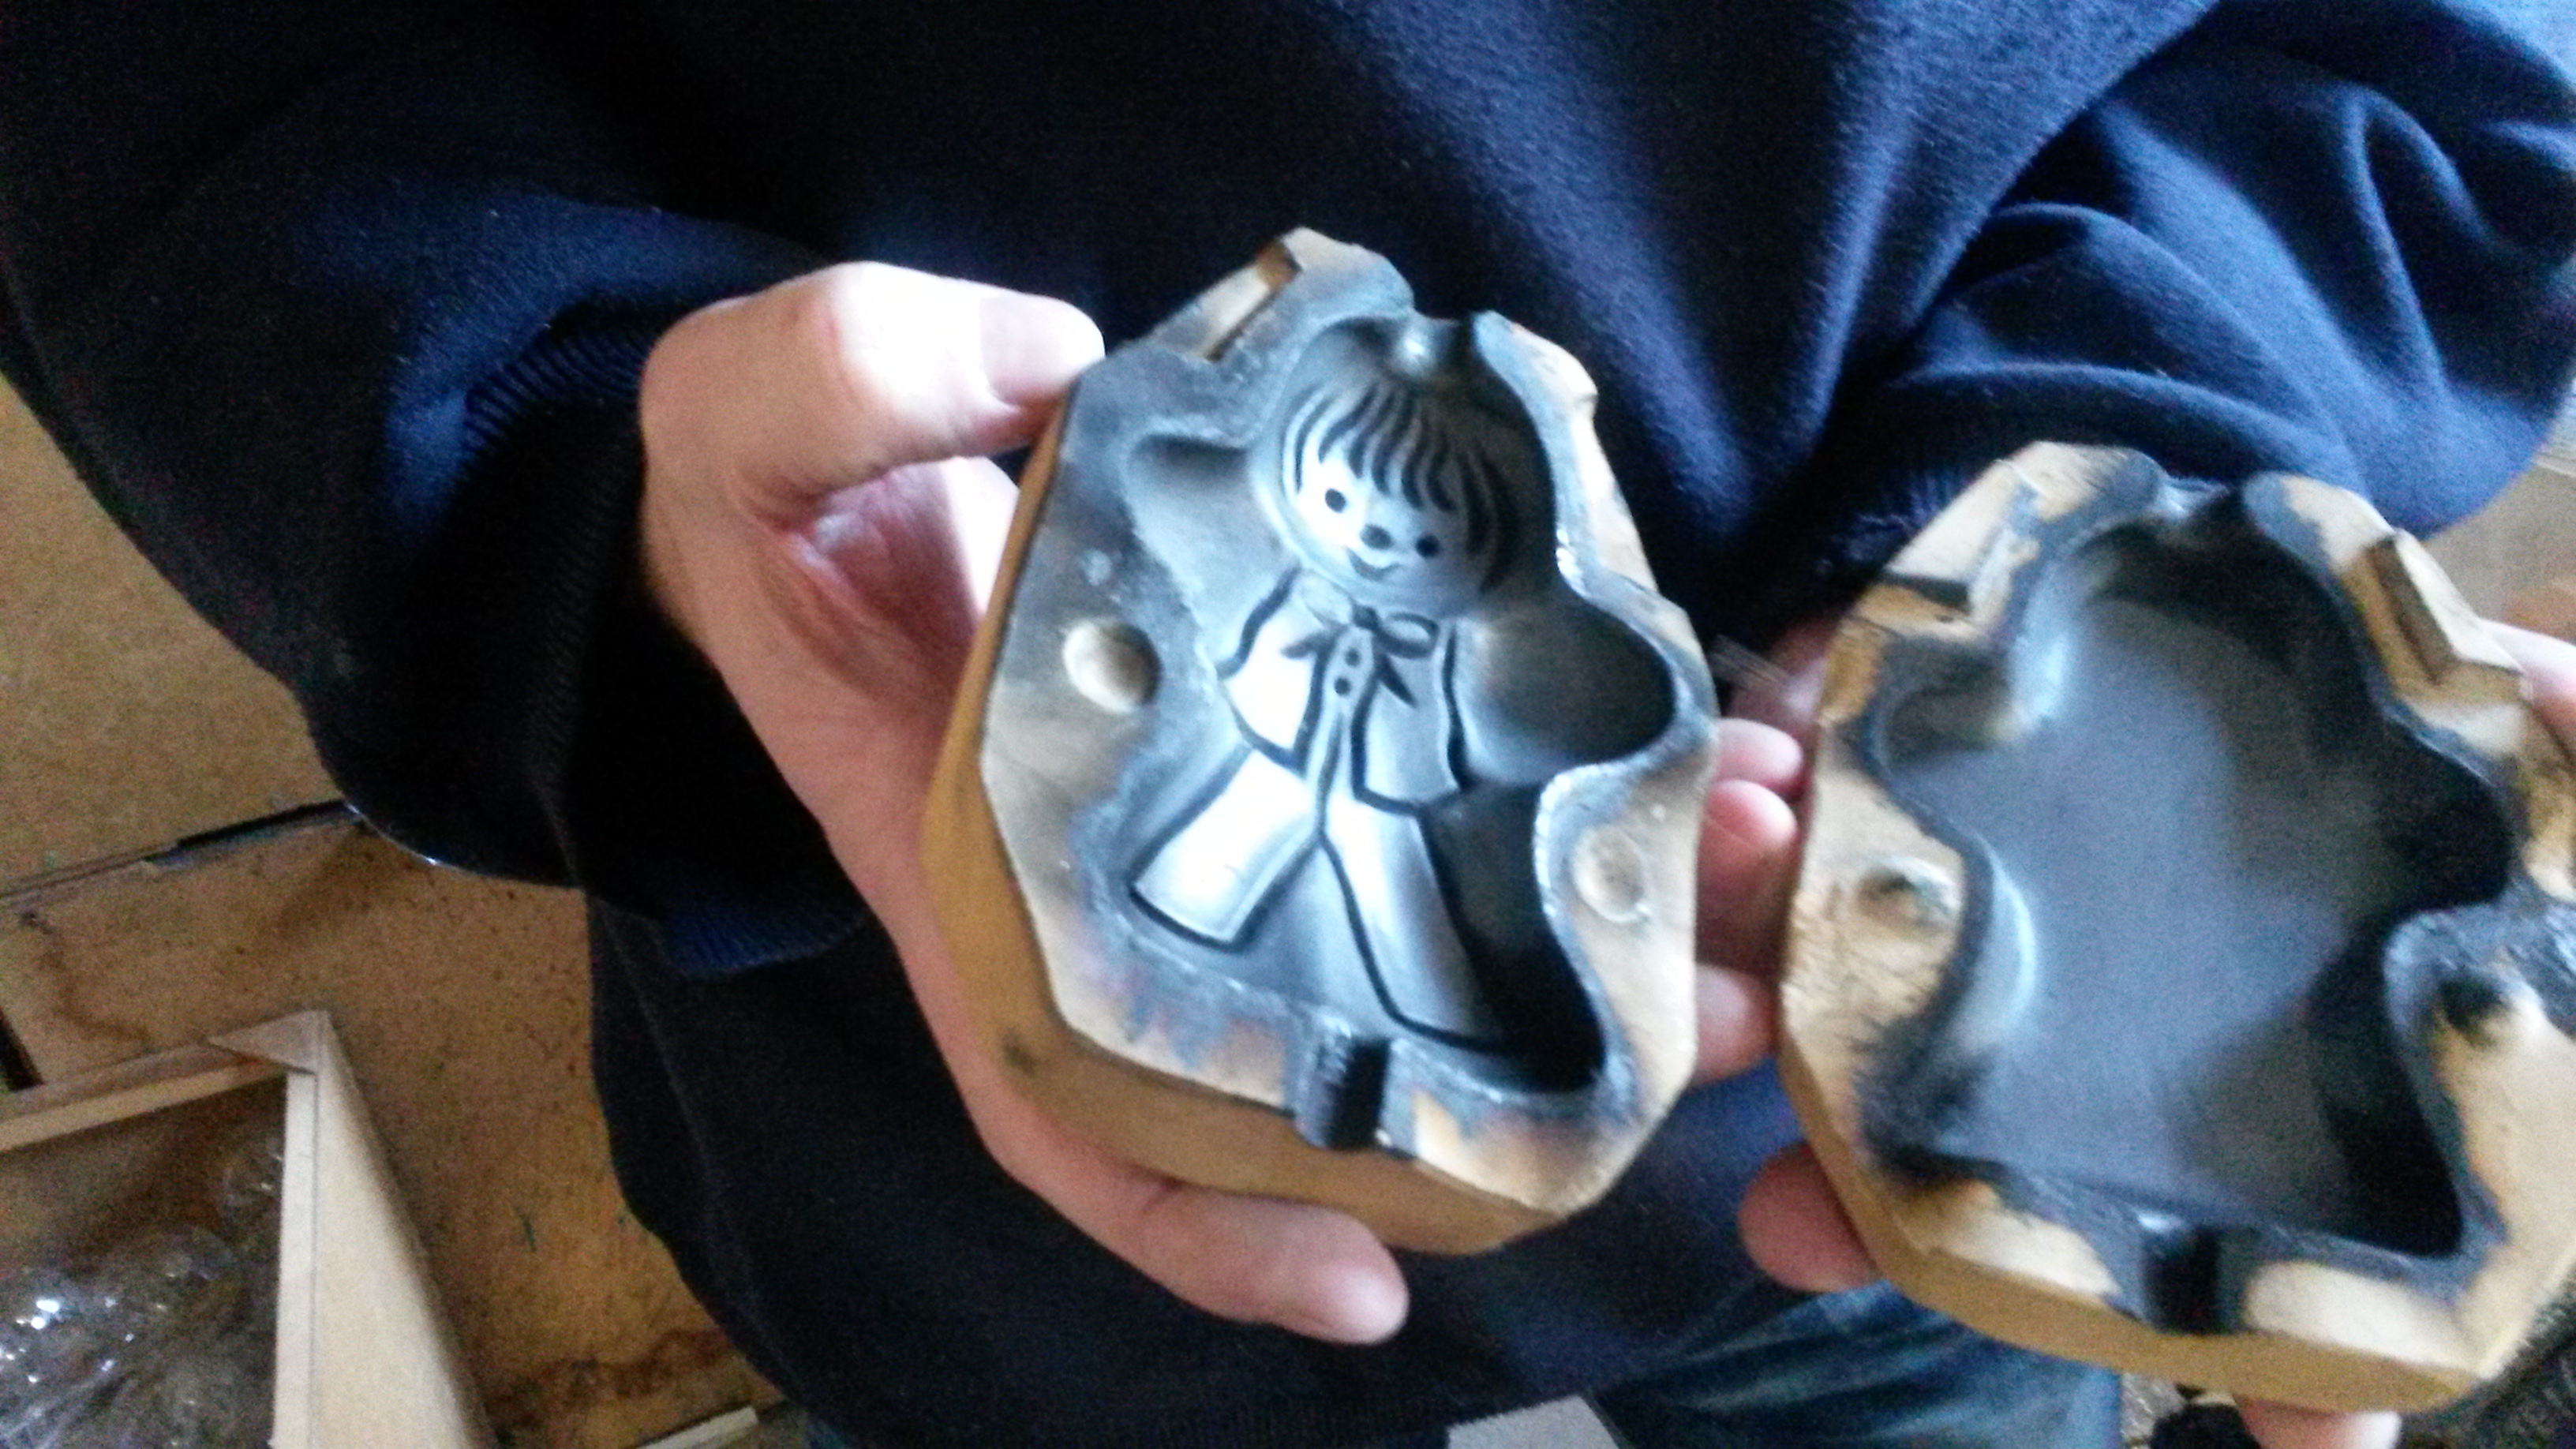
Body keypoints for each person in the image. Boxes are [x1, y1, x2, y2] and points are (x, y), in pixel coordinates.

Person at [3, 1, 2570, 1444]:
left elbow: (2434, 57)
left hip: (1859, 1122)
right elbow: (151, 90)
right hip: (918, 1074)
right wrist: (570, 457)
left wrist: (2088, 532)